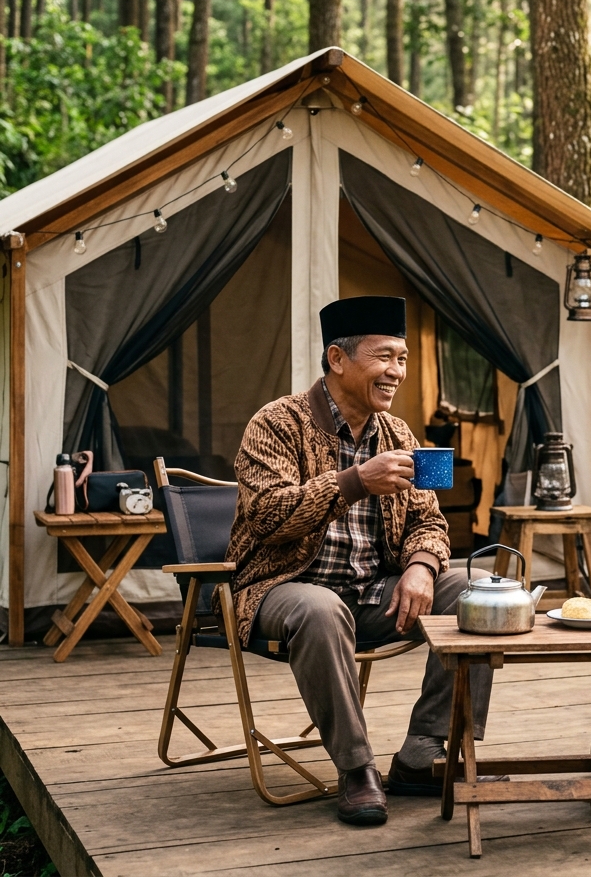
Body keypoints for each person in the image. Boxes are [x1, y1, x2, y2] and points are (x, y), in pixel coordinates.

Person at [225, 295, 494, 826]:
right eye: (384, 357)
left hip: (376, 591)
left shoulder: (399, 434)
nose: (397, 371)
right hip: (284, 587)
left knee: (483, 588)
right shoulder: (275, 423)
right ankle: (356, 769)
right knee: (321, 609)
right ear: (337, 359)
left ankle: (423, 753)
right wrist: (354, 482)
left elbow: (432, 521)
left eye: (402, 357)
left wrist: (420, 566)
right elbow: (268, 519)